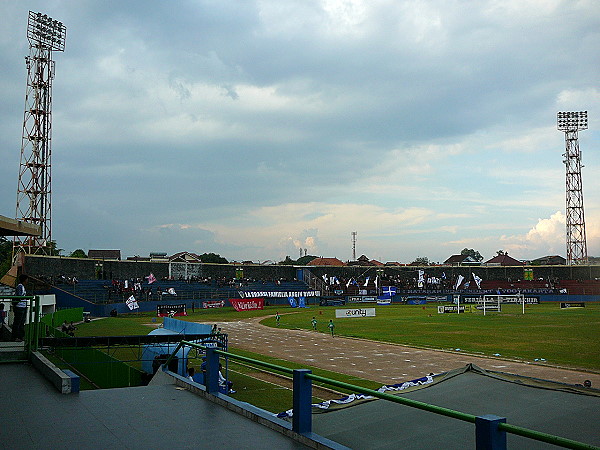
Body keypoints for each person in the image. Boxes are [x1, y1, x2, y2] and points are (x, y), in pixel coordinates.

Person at [11, 274, 28, 341]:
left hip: (22, 306)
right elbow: (19, 296)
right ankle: (15, 337)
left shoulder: (22, 287)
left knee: (21, 322)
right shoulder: (20, 287)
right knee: (18, 322)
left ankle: (20, 336)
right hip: (20, 307)